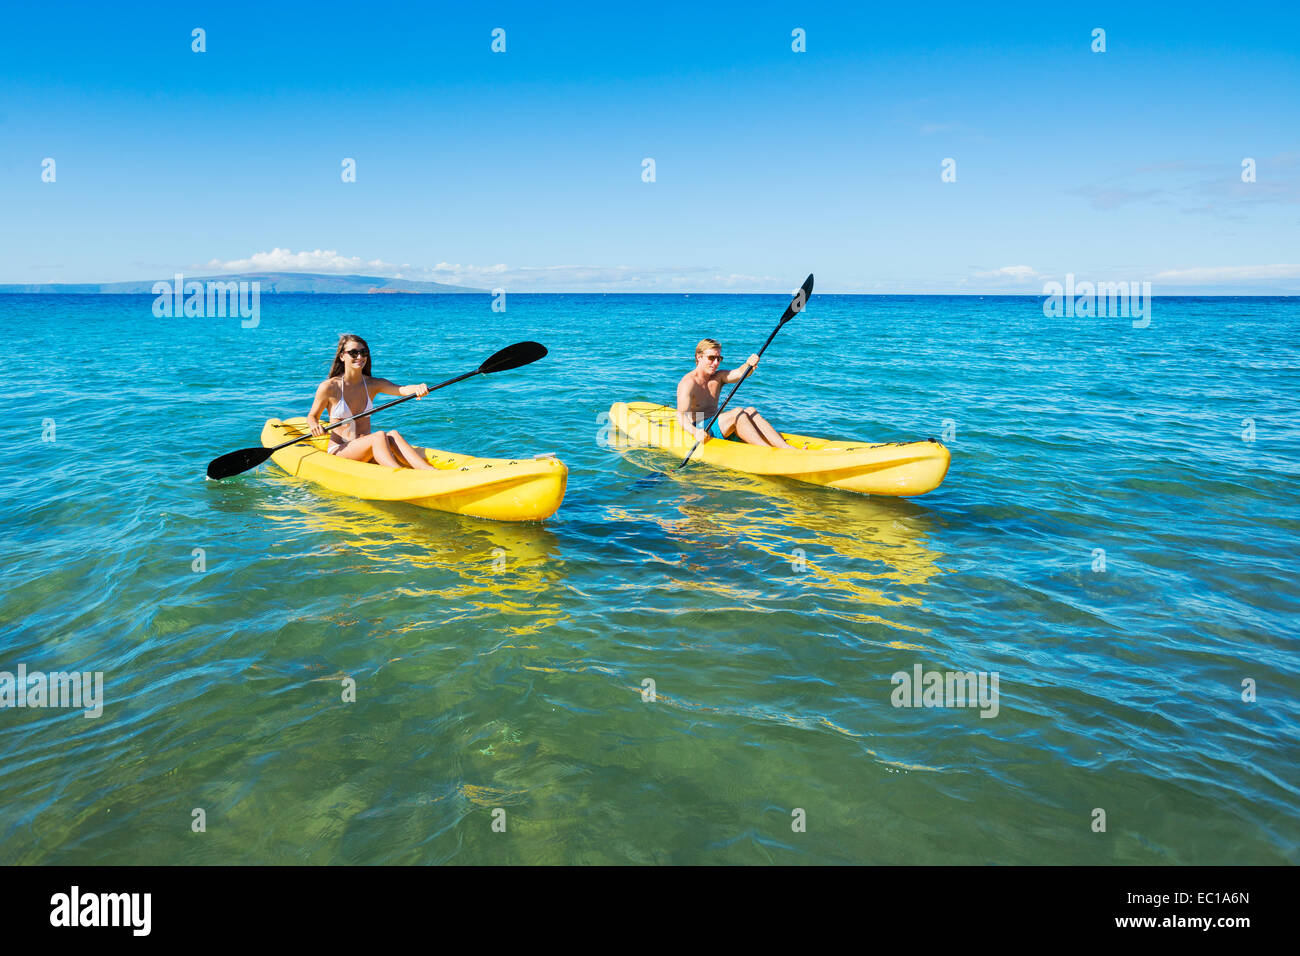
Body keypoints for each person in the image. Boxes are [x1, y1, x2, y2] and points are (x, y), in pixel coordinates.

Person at [306, 334, 437, 469]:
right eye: (353, 353)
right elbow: (312, 416)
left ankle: (430, 470)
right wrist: (314, 425)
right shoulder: (330, 387)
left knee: (393, 435)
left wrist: (418, 388)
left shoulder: (372, 384)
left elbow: (401, 389)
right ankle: (398, 472)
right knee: (379, 436)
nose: (360, 357)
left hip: (367, 448)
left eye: (363, 352)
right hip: (340, 450)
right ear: (342, 356)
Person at [675, 338, 800, 449]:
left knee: (751, 411)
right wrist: (695, 432)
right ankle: (766, 450)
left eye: (719, 358)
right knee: (737, 413)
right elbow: (681, 415)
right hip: (701, 426)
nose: (716, 363)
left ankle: (786, 448)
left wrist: (749, 364)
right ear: (699, 357)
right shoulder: (688, 382)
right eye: (711, 358)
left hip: (716, 423)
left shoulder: (718, 377)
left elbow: (741, 373)